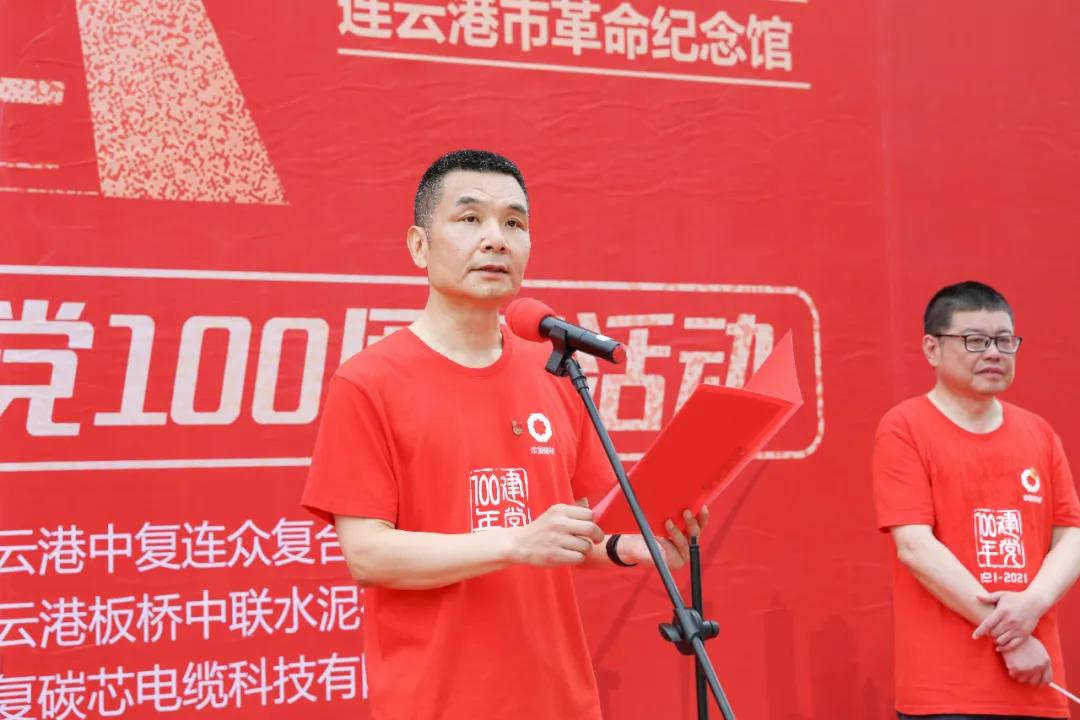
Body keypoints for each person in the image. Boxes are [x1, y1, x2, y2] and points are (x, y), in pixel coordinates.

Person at [302, 149, 708, 719]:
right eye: (470, 218)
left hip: (561, 701)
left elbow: (572, 533)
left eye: (514, 223)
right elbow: (369, 554)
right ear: (419, 245)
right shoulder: (369, 381)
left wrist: (626, 548)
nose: (495, 239)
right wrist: (516, 543)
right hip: (440, 704)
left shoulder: (554, 370)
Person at [873, 281, 1080, 719]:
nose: (993, 353)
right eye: (975, 340)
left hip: (1038, 683)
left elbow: (1071, 537)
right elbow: (915, 547)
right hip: (947, 692)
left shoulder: (1039, 433)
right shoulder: (905, 427)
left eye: (1005, 341)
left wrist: (1034, 603)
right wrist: (1014, 636)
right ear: (932, 349)